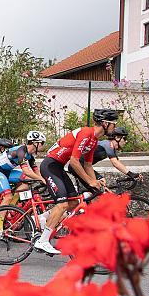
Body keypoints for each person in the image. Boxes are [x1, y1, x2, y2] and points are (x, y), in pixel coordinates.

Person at [36, 109, 118, 254]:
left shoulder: (94, 140)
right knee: (62, 204)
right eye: (113, 124)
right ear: (105, 123)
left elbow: (87, 165)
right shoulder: (86, 133)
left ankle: (43, 219)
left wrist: (96, 182)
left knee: (73, 202)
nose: (115, 128)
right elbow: (74, 162)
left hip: (59, 167)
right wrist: (90, 182)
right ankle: (42, 241)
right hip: (50, 165)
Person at [0, 131, 47, 237]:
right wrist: (41, 179)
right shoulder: (21, 150)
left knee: (26, 182)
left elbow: (35, 171)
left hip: (7, 171)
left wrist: (43, 179)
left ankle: (11, 206)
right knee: (7, 196)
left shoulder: (30, 156)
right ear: (36, 143)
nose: (43, 146)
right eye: (42, 143)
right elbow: (27, 171)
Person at [68, 126, 141, 188]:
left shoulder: (112, 148)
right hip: (77, 167)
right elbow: (115, 163)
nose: (126, 141)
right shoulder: (107, 144)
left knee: (100, 186)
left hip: (84, 167)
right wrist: (131, 174)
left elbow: (118, 163)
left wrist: (132, 174)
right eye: (124, 138)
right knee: (97, 187)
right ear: (117, 137)